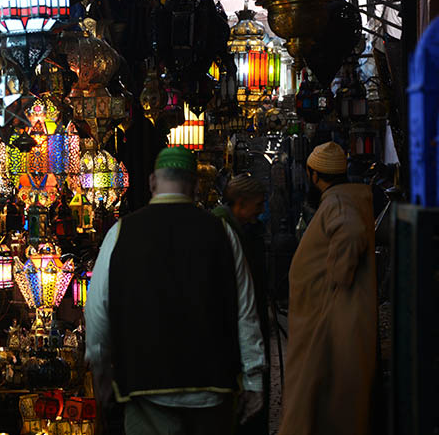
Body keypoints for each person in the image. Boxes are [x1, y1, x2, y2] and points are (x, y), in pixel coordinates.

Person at [85, 146, 265, 435]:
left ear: (152, 182)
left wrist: (101, 373)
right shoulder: (222, 232)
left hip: (145, 385)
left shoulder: (121, 233)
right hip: (212, 387)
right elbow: (245, 311)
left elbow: (96, 312)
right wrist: (254, 380)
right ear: (195, 186)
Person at [279, 141, 377, 435]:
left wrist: (339, 274)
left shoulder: (337, 203)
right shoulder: (340, 199)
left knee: (322, 399)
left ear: (313, 175)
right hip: (327, 314)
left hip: (330, 317)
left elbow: (349, 232)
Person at [213, 174, 270, 435]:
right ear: (240, 203)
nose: (260, 212)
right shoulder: (221, 229)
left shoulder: (239, 227)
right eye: (258, 205)